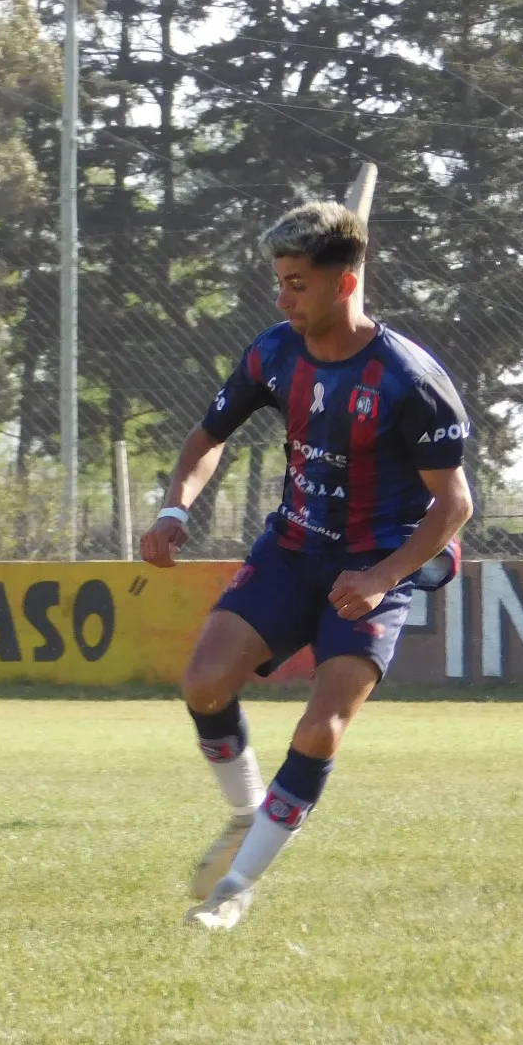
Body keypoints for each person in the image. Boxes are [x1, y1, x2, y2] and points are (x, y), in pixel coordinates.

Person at [140, 201, 473, 931]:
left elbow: (454, 505)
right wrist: (174, 509)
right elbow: (207, 435)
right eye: (280, 281)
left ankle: (233, 892)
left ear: (343, 284)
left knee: (321, 730)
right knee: (202, 683)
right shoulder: (273, 352)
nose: (282, 298)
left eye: (296, 283)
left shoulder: (409, 380)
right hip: (291, 549)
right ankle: (243, 815)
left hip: (371, 573)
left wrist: (385, 576)